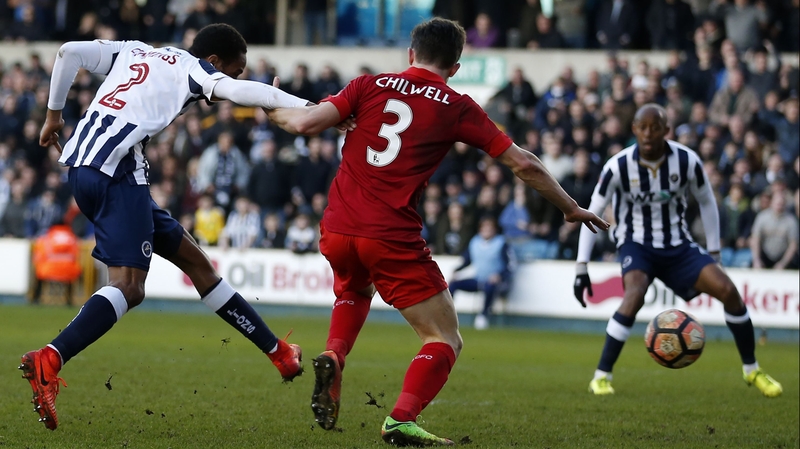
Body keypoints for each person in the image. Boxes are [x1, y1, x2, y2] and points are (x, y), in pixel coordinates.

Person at [266, 18, 608, 446]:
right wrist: (571, 207)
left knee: (353, 289)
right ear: (456, 66)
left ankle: (334, 354)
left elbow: (302, 124)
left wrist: (269, 103)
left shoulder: (367, 85)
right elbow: (524, 164)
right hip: (388, 233)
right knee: (444, 337)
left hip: (337, 227)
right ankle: (400, 419)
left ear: (411, 54)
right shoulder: (455, 104)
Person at [21, 23, 315, 431]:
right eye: (236, 69)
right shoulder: (194, 69)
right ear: (214, 61)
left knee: (198, 263)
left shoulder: (134, 51)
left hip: (84, 168)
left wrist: (53, 116)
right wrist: (312, 107)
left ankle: (279, 353)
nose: (235, 78)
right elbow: (251, 93)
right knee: (129, 287)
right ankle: (49, 359)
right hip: (116, 171)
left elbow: (68, 51)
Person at [573, 104, 783, 398]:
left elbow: (708, 202)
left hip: (678, 246)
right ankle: (601, 376)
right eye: (642, 127)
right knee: (634, 295)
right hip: (636, 244)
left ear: (666, 130)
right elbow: (590, 213)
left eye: (655, 127)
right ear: (634, 129)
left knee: (728, 291)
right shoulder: (617, 166)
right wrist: (581, 266)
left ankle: (752, 370)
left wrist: (714, 254)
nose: (648, 133)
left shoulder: (687, 161)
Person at [449, 217, 513, 330]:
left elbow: (510, 265)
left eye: (490, 228)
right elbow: (467, 260)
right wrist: (456, 270)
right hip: (479, 279)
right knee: (453, 284)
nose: (487, 230)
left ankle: (483, 316)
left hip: (496, 281)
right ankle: (448, 315)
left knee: (489, 286)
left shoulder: (501, 243)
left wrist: (499, 275)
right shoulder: (475, 242)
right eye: (484, 227)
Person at [750, 191, 799, 270]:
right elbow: (755, 239)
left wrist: (783, 263)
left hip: (784, 257)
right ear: (771, 202)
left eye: (782, 203)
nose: (779, 205)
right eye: (777, 203)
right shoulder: (762, 217)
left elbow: (793, 245)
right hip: (765, 255)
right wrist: (756, 259)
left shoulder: (791, 221)